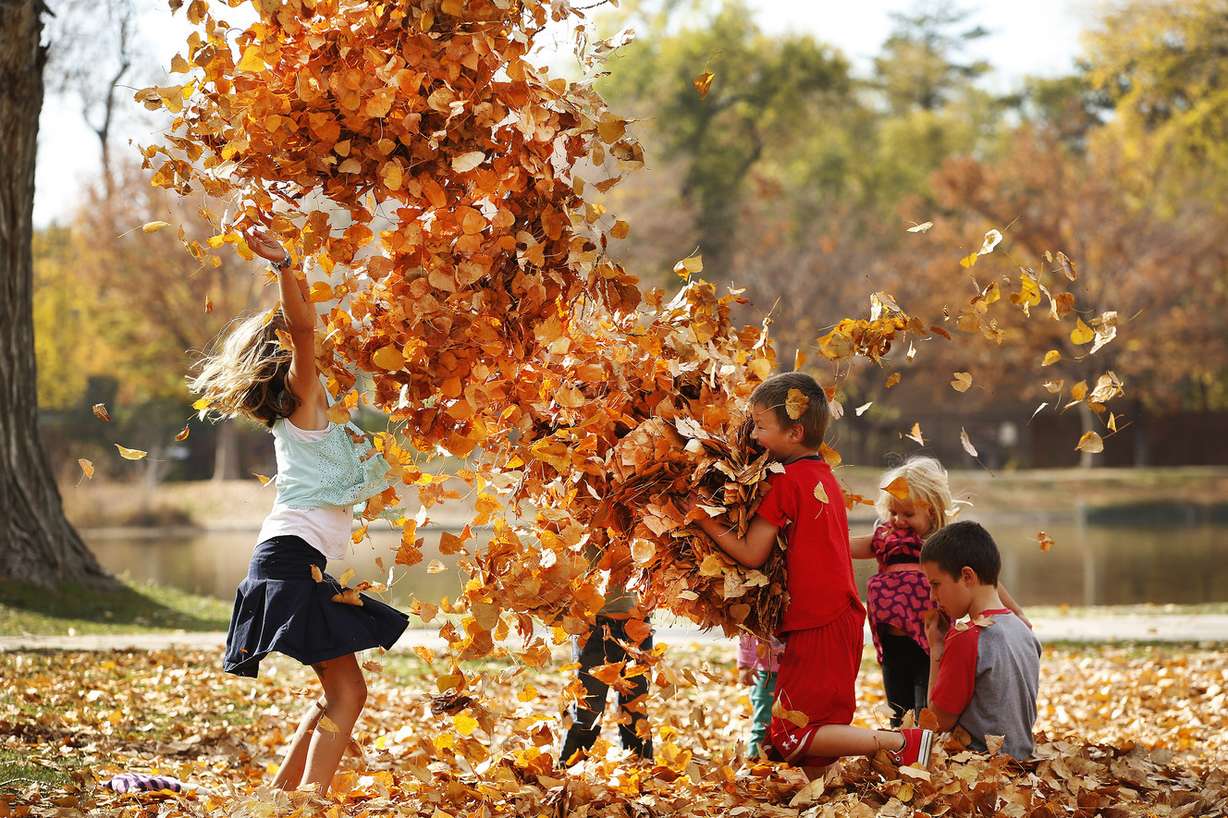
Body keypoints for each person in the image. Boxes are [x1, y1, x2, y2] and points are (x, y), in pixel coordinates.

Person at [189, 227, 409, 794]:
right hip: (291, 562)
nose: (322, 360)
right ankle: (307, 803)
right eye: (308, 355)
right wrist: (287, 265)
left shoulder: (316, 424)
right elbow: (305, 328)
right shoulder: (303, 405)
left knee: (336, 690)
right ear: (289, 360)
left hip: (299, 564)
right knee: (349, 693)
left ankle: (276, 798)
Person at [691, 372, 933, 774]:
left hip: (817, 622)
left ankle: (901, 742)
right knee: (816, 738)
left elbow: (752, 553)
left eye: (762, 427)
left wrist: (704, 520)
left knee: (791, 733)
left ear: (795, 432)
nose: (753, 437)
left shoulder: (788, 483)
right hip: (839, 620)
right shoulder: (823, 478)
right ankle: (817, 799)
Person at [850, 458, 1030, 727]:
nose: (899, 521)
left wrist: (1015, 611)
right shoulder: (883, 538)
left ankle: (927, 751)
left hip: (929, 639)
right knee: (898, 706)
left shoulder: (940, 546)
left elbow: (985, 578)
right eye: (893, 512)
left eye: (908, 514)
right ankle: (902, 749)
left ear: (931, 512)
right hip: (892, 641)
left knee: (926, 703)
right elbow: (844, 546)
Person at [921, 521, 1042, 760]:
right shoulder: (1024, 631)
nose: (933, 597)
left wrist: (937, 648)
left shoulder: (968, 636)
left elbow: (935, 723)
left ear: (967, 576)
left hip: (979, 766)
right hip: (1022, 761)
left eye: (936, 585)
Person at [558, 555, 654, 766]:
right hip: (592, 627)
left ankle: (640, 766)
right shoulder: (586, 528)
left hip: (636, 626)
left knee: (635, 704)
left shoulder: (641, 526)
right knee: (588, 705)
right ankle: (570, 767)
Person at [735, 633, 783, 758]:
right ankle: (755, 761)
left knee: (794, 722)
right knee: (763, 722)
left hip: (798, 671)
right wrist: (746, 665)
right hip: (767, 674)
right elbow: (748, 631)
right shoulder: (764, 614)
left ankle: (789, 761)